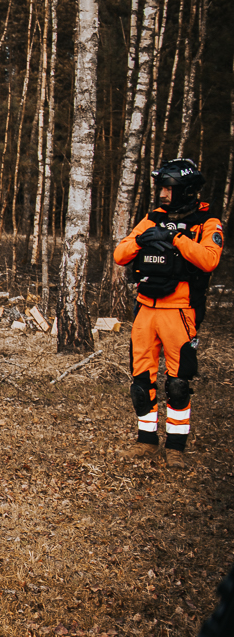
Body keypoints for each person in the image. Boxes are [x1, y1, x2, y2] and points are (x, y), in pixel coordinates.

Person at [113, 159, 222, 464]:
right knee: (140, 380)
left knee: (177, 383)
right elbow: (120, 255)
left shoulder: (207, 221)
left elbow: (209, 260)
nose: (162, 194)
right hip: (146, 310)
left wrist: (176, 238)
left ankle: (175, 447)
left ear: (185, 190)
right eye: (160, 188)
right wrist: (142, 238)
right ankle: (146, 440)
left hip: (180, 312)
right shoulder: (151, 219)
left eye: (168, 189)